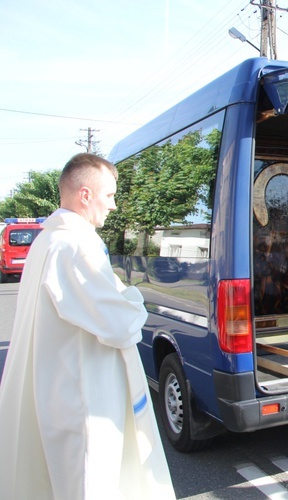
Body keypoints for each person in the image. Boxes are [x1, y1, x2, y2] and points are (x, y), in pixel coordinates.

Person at [0, 153, 175, 499]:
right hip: (83, 403)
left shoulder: (46, 242)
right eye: (109, 195)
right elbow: (120, 323)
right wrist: (134, 298)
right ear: (85, 195)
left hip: (60, 392)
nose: (113, 206)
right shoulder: (74, 245)